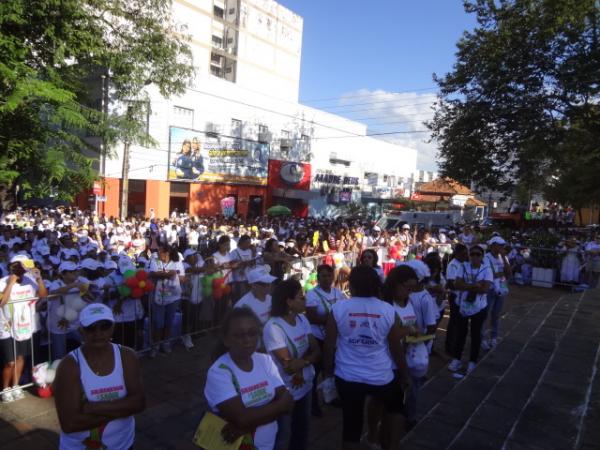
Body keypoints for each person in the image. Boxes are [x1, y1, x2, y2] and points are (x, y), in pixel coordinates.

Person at [323, 266, 410, 450]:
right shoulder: (387, 310)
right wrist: (405, 374)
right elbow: (395, 347)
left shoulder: (338, 308)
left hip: (347, 376)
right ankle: (391, 445)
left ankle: (370, 438)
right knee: (396, 408)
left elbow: (328, 347)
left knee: (351, 425)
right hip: (381, 376)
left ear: (351, 285)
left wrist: (328, 376)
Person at [54, 303, 145, 449]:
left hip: (123, 445)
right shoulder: (69, 366)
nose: (98, 333)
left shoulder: (127, 356)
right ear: (81, 330)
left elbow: (139, 403)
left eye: (104, 326)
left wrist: (93, 408)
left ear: (113, 327)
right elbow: (70, 423)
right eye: (91, 328)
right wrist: (122, 409)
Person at [204, 308, 294, 450]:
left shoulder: (265, 361)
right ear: (226, 340)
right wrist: (280, 407)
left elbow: (288, 402)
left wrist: (247, 425)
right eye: (239, 335)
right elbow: (242, 418)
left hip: (271, 443)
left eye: (252, 333)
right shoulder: (219, 372)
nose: (247, 340)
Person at [263, 280, 321, 450]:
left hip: (306, 387)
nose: (305, 301)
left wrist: (303, 361)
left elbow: (317, 350)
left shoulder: (302, 319)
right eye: (301, 298)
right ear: (288, 301)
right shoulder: (273, 327)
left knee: (302, 431)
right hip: (284, 392)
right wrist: (308, 359)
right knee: (282, 437)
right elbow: (288, 365)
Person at [381, 265, 429, 429]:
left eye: (412, 288)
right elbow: (389, 335)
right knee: (388, 405)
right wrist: (408, 330)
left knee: (404, 397)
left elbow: (412, 323)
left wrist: (417, 332)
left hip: (407, 357)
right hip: (391, 362)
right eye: (407, 287)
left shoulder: (408, 302)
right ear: (394, 283)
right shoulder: (386, 305)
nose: (409, 291)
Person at [0, 255, 47, 402]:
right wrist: (11, 282)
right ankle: (5, 389)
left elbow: (43, 295)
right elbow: (2, 303)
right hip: (6, 327)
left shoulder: (30, 281)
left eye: (23, 266)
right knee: (10, 362)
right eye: (17, 266)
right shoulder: (2, 282)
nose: (21, 270)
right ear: (11, 267)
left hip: (25, 326)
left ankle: (15, 386)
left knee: (21, 358)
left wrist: (39, 278)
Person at [305, 264, 346, 416]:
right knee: (315, 372)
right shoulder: (312, 294)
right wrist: (332, 320)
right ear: (318, 278)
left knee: (331, 369)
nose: (327, 278)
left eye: (329, 275)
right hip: (318, 338)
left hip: (334, 338)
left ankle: (331, 397)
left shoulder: (338, 292)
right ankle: (313, 404)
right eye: (323, 276)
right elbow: (311, 316)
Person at [448, 245, 493, 374]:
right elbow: (456, 284)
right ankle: (457, 359)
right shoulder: (463, 266)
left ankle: (472, 361)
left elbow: (485, 289)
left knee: (475, 334)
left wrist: (465, 286)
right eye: (472, 254)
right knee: (460, 333)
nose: (474, 257)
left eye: (478, 254)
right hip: (463, 305)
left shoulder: (486, 269)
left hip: (479, 307)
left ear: (482, 256)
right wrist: (475, 285)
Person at [148, 246, 185, 357]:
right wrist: (169, 273)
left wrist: (170, 274)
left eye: (160, 252)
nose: (158, 254)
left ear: (167, 253)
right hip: (159, 297)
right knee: (158, 323)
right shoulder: (155, 261)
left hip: (173, 297)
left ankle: (166, 344)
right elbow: (153, 274)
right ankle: (155, 346)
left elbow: (183, 278)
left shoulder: (177, 262)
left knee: (168, 322)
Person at [482, 237, 512, 350]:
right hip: (489, 289)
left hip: (502, 288)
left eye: (502, 245)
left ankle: (493, 337)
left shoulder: (503, 257)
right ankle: (483, 338)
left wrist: (504, 257)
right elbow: (490, 275)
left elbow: (509, 274)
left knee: (496, 315)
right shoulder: (486, 258)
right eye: (499, 245)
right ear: (492, 245)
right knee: (486, 314)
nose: (501, 247)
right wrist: (501, 274)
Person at [444, 244, 468, 354]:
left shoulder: (464, 263)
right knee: (454, 321)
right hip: (455, 296)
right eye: (463, 254)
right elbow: (450, 283)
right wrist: (464, 286)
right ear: (457, 254)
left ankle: (456, 344)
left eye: (466, 253)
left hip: (463, 296)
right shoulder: (453, 265)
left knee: (460, 322)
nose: (465, 256)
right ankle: (449, 346)